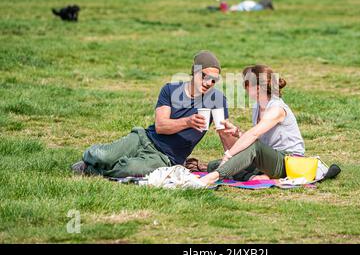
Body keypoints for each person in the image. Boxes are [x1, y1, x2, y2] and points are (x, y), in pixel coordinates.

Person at [72, 51, 237, 178]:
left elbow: (226, 140)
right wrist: (188, 122)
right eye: (205, 76)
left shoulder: (217, 100)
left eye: (214, 80)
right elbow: (161, 126)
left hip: (165, 158)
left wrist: (231, 133)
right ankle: (93, 159)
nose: (209, 83)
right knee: (102, 154)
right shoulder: (170, 90)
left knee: (129, 169)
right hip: (143, 138)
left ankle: (93, 169)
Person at [200, 65, 305, 185]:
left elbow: (254, 137)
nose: (244, 88)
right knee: (214, 165)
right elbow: (259, 140)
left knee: (233, 159)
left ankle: (213, 177)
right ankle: (253, 178)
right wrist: (237, 132)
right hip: (268, 159)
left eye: (246, 84)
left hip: (289, 162)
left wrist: (228, 155)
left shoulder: (276, 108)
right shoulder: (257, 106)